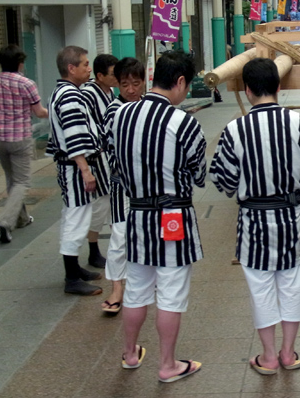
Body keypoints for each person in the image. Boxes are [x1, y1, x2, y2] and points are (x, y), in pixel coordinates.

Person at [209, 58, 300, 376]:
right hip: (289, 216)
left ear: (247, 89)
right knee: (291, 283)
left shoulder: (234, 129)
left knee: (260, 287)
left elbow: (223, 181)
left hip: (253, 220)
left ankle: (268, 356)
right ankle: (288, 353)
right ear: (279, 87)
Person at [112, 51, 206, 383]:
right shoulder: (184, 122)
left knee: (136, 288)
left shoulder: (120, 116)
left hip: (137, 214)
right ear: (180, 82)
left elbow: (116, 168)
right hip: (173, 216)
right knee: (170, 292)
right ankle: (167, 365)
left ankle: (130, 353)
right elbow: (199, 174)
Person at [46, 46, 110, 295]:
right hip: (74, 168)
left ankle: (74, 269)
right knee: (76, 219)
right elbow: (74, 136)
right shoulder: (70, 96)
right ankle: (71, 278)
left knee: (75, 217)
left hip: (71, 166)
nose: (88, 68)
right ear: (71, 68)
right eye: (84, 64)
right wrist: (85, 170)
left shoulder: (63, 92)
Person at [0, 45, 48, 243]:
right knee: (22, 182)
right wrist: (54, 112)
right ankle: (5, 222)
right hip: (20, 138)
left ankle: (22, 218)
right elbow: (39, 112)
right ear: (20, 63)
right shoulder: (27, 83)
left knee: (12, 180)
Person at [100, 57, 145, 315]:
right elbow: (108, 148)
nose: (130, 89)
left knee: (146, 233)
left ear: (143, 82)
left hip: (147, 185)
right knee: (119, 235)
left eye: (135, 83)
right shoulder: (113, 111)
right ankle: (116, 288)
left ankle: (143, 282)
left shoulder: (148, 107)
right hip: (122, 185)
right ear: (117, 83)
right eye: (125, 84)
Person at [80, 53, 119, 269]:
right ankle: (93, 249)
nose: (117, 78)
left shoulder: (110, 92)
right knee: (100, 204)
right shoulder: (89, 94)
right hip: (96, 158)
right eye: (113, 74)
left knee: (113, 203)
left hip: (110, 157)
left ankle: (119, 246)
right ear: (100, 75)